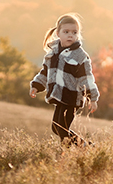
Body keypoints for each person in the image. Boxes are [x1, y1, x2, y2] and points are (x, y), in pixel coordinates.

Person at [29, 13, 100, 145]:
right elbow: (45, 72)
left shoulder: (80, 56)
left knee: (62, 128)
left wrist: (92, 97)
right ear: (58, 33)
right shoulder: (53, 53)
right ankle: (81, 147)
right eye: (66, 32)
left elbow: (87, 79)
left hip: (71, 98)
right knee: (56, 127)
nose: (70, 35)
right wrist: (36, 85)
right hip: (58, 96)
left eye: (74, 32)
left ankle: (83, 148)